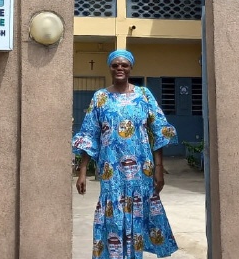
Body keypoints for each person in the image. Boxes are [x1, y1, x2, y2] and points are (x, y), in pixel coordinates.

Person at [72, 49, 179, 258]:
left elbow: (158, 130)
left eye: (124, 65)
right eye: (115, 65)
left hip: (141, 170)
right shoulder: (100, 97)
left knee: (138, 214)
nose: (119, 68)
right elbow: (89, 134)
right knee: (113, 217)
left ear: (131, 68)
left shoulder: (144, 95)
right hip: (111, 170)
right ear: (110, 68)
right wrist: (82, 171)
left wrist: (159, 168)